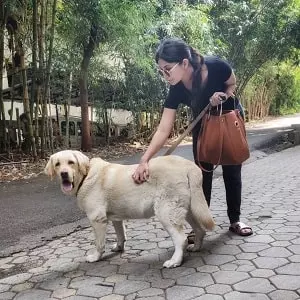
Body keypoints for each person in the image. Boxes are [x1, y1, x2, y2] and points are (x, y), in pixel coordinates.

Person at [132, 37, 253, 237]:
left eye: (167, 69)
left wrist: (223, 94)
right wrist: (145, 159)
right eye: (160, 71)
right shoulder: (176, 88)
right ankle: (200, 226)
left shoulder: (215, 66)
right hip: (204, 126)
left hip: (228, 120)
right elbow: (164, 128)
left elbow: (232, 83)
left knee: (232, 172)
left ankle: (235, 220)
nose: (165, 75)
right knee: (201, 175)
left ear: (184, 63)